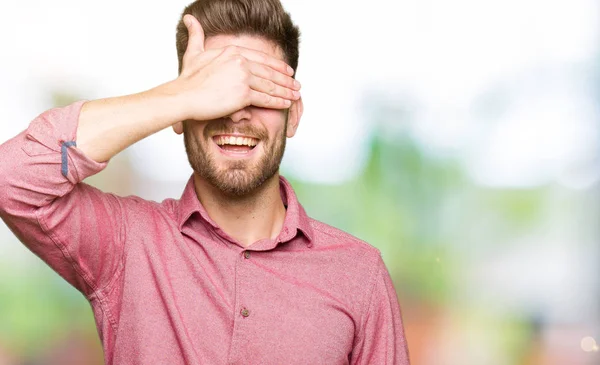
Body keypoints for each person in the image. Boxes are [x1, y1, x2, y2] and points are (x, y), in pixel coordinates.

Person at [0, 0, 410, 364]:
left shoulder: (359, 274)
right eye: (217, 89)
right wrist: (179, 96)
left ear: (294, 114)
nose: (235, 112)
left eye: (259, 90)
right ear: (181, 111)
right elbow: (11, 177)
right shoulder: (127, 243)